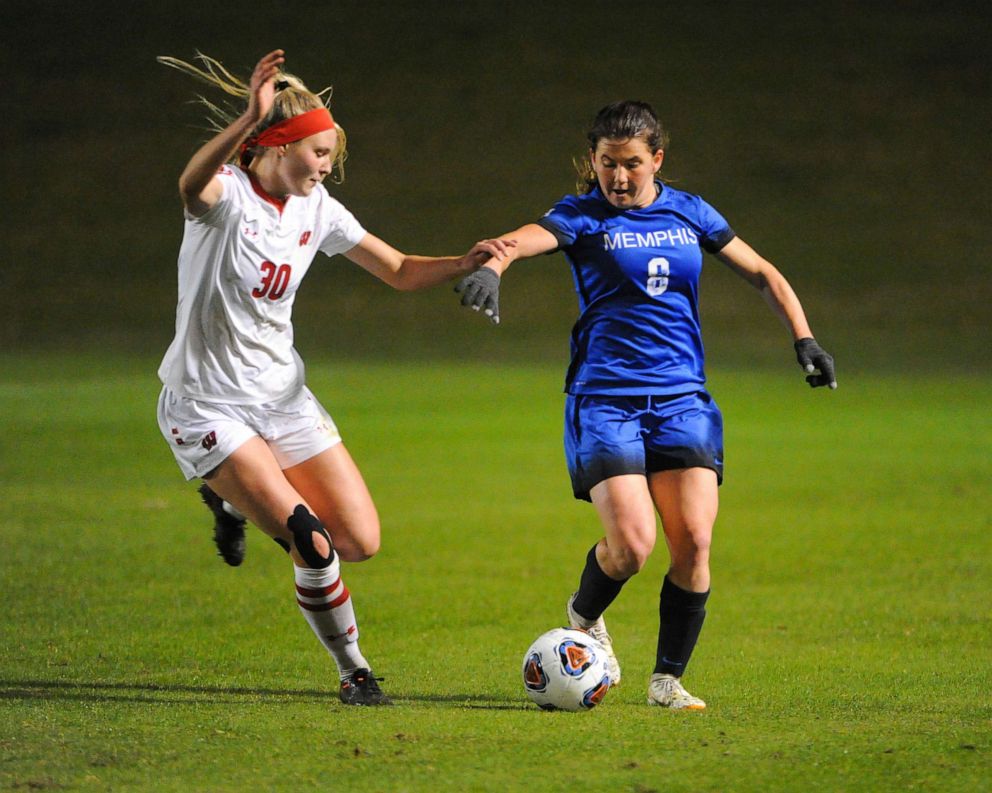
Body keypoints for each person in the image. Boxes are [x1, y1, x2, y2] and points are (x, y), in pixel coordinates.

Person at [455, 100, 836, 710]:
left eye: (632, 163)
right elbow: (523, 239)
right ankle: (583, 617)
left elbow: (762, 271)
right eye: (608, 164)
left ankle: (667, 680)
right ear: (594, 162)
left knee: (693, 544)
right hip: (606, 399)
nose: (620, 178)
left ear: (657, 159)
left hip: (683, 399)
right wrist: (496, 264)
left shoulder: (691, 212)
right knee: (632, 545)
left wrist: (804, 336)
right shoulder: (580, 216)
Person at [155, 49, 503, 706]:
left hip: (284, 400)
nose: (326, 165)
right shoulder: (225, 197)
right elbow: (188, 183)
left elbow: (397, 269)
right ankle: (354, 670)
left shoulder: (318, 210)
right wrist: (246, 119)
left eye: (329, 154)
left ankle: (229, 501)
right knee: (312, 541)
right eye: (317, 151)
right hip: (209, 408)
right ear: (276, 145)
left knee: (359, 540)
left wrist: (464, 260)